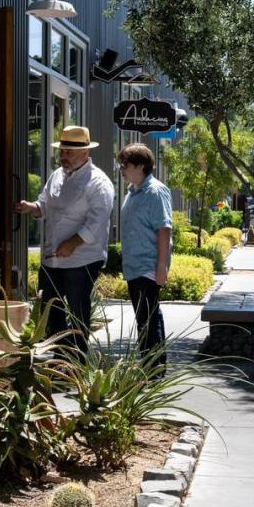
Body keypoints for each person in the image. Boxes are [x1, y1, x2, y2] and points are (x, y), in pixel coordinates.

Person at [14, 126, 114, 352]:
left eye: (69, 151)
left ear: (85, 153)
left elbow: (97, 222)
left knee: (78, 313)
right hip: (51, 259)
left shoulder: (99, 182)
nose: (63, 156)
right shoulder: (56, 176)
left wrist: (72, 243)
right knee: (51, 311)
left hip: (82, 260)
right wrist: (31, 208)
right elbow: (45, 206)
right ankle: (60, 360)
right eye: (62, 151)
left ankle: (77, 362)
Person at [117, 143, 172, 368]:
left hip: (148, 267)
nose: (121, 168)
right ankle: (150, 366)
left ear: (141, 166)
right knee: (144, 319)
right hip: (134, 267)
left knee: (148, 319)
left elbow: (164, 229)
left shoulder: (155, 191)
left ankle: (155, 369)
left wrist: (161, 267)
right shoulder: (133, 191)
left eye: (125, 164)